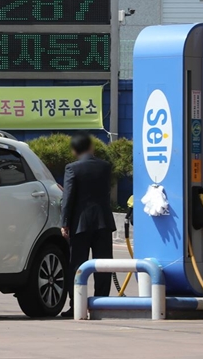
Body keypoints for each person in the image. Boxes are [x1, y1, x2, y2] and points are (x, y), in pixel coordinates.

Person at [60, 132, 116, 318]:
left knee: (77, 265)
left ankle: (77, 305)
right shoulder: (105, 166)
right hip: (103, 222)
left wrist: (64, 223)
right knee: (104, 265)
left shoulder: (72, 169)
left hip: (80, 224)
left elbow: (67, 199)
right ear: (91, 148)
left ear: (75, 150)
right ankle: (102, 305)